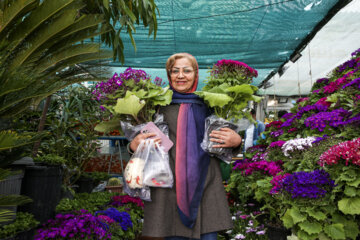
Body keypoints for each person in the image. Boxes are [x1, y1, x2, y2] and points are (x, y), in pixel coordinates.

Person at [129, 53, 242, 240]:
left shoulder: (212, 104)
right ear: (169, 75)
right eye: (175, 71)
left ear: (196, 75)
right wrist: (134, 145)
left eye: (186, 71)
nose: (180, 75)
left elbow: (225, 141)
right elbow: (141, 139)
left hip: (206, 184)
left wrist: (236, 141)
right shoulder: (154, 105)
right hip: (168, 186)